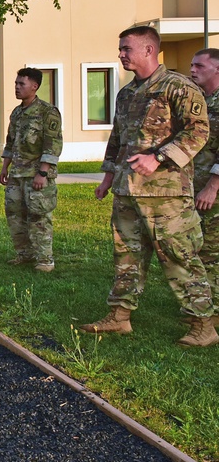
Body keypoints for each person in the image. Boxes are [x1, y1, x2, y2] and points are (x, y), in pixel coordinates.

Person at [81, 25, 216, 347]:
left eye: (126, 48)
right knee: (126, 254)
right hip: (128, 190)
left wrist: (158, 158)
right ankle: (119, 317)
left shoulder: (177, 87)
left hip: (165, 193)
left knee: (179, 256)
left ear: (148, 50)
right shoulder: (127, 92)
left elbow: (199, 131)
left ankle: (203, 324)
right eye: (120, 48)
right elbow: (119, 137)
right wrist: (109, 176)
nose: (121, 54)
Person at [0, 68, 63, 272]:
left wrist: (42, 173)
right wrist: (4, 168)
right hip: (17, 174)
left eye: (21, 84)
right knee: (14, 215)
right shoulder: (17, 113)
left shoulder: (47, 112)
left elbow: (52, 144)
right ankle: (24, 254)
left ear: (34, 87)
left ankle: (44, 260)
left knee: (38, 217)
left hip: (36, 174)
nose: (17, 88)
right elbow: (10, 142)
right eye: (16, 84)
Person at [190, 48, 219, 323]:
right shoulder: (199, 102)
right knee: (197, 246)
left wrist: (213, 186)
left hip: (213, 190)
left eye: (199, 65)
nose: (193, 70)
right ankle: (202, 305)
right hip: (193, 186)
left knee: (212, 249)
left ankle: (214, 312)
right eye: (191, 65)